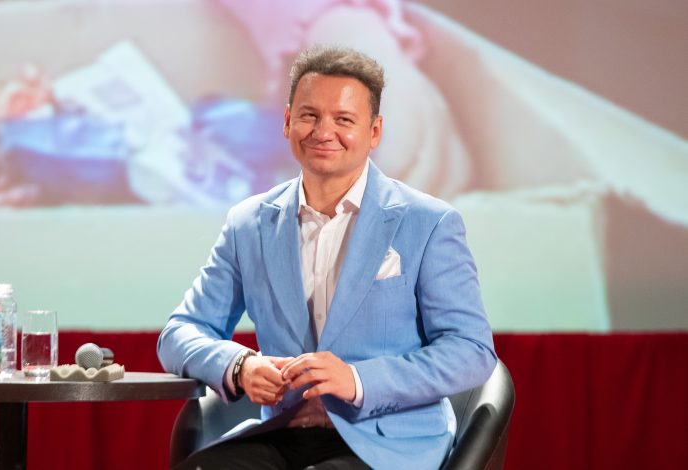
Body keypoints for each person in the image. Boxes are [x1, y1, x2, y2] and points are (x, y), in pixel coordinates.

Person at [157, 46, 496, 470]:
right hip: (284, 433)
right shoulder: (248, 224)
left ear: (374, 131)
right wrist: (240, 365)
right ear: (287, 122)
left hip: (389, 444)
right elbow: (180, 332)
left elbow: (470, 350)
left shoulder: (428, 222)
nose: (323, 131)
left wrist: (356, 380)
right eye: (309, 115)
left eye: (344, 120)